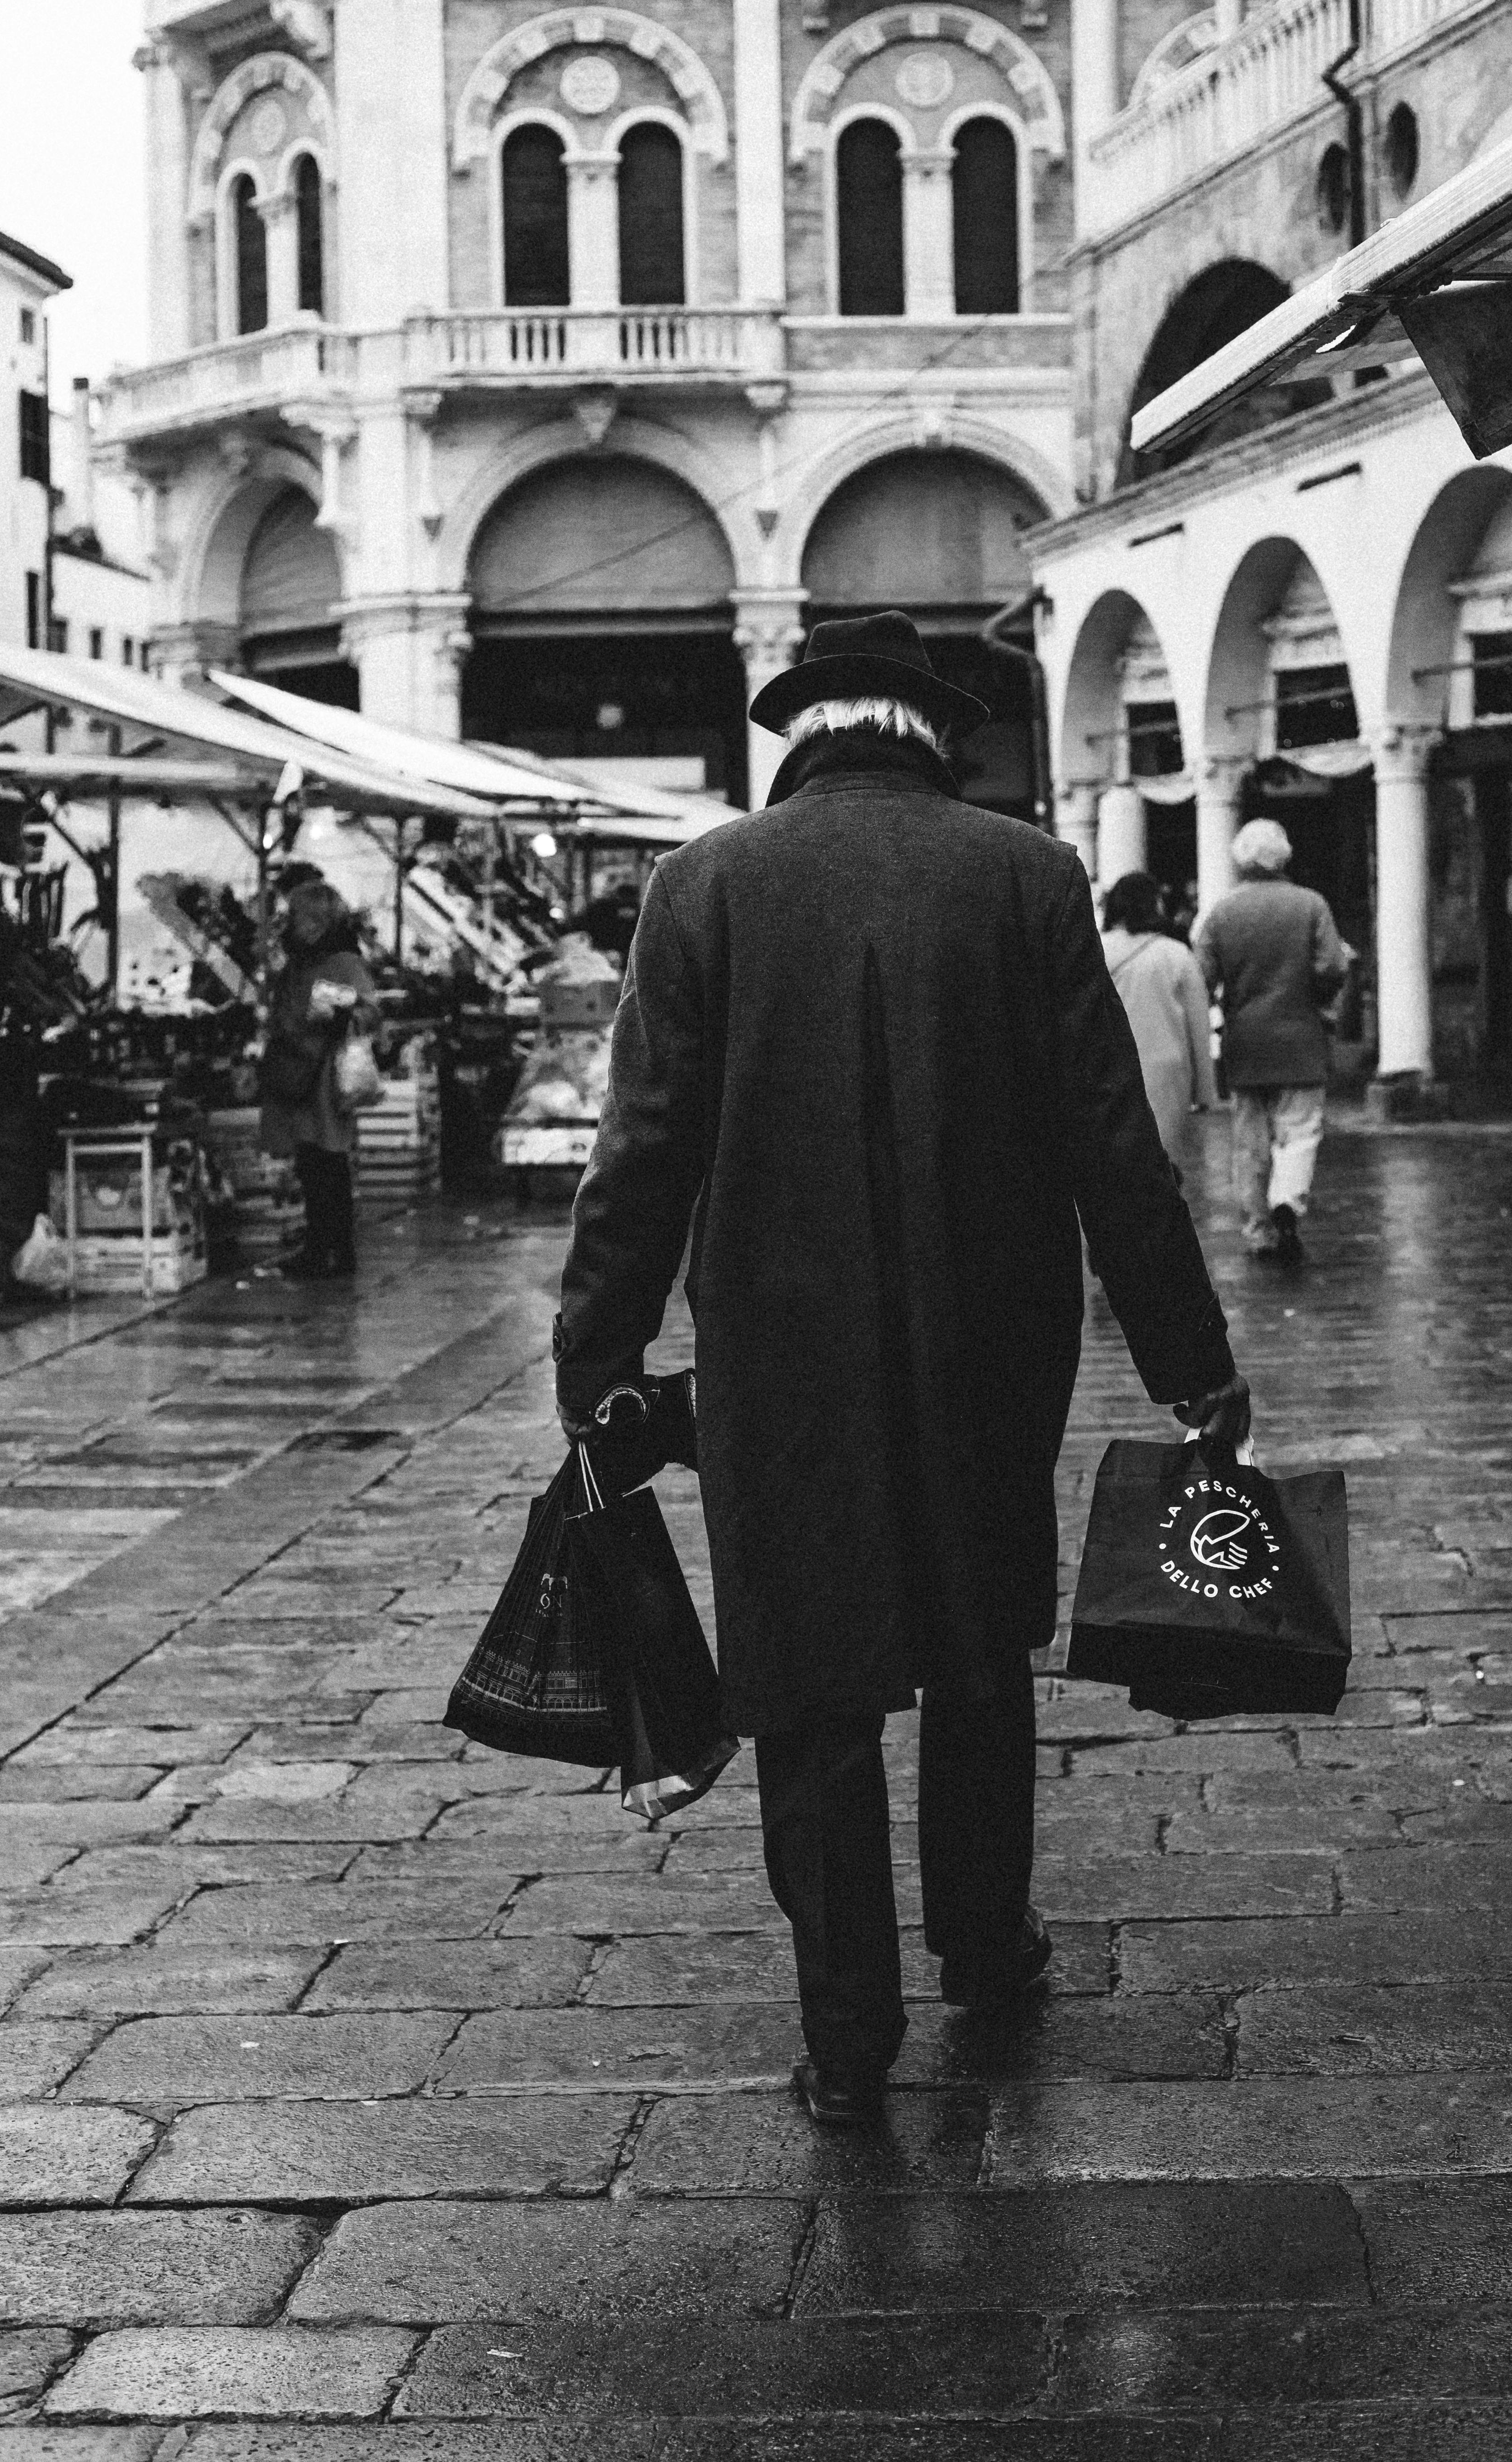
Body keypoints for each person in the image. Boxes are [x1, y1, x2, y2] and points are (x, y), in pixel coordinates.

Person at [552, 612, 1249, 2127]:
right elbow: (1108, 1150)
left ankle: (846, 2029)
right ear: (936, 733)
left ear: (802, 730)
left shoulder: (702, 884)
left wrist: (593, 1356)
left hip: (773, 1355)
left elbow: (641, 1150)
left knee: (804, 1682)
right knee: (977, 1648)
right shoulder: (1022, 876)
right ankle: (984, 1950)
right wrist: (1190, 1365)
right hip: (990, 1346)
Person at [1194, 817, 1348, 1265]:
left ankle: (1259, 1228)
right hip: (1301, 1037)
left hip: (1245, 1042)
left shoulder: (1222, 914)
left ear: (1241, 860)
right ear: (1285, 857)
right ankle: (1287, 1201)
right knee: (1299, 1131)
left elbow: (1201, 977)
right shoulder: (1311, 905)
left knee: (1250, 1139)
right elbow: (1333, 968)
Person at [258, 874, 379, 1282]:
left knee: (329, 1162)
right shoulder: (296, 964)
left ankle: (336, 1250)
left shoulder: (343, 963)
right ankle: (319, 1247)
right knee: (311, 1163)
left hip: (325, 1077)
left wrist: (344, 1014)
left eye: (296, 917)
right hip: (298, 1072)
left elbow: (370, 1012)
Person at [1101, 870, 1215, 1171]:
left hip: (1106, 1072)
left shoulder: (1095, 951)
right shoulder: (1177, 955)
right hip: (1167, 1076)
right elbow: (1198, 1027)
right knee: (1161, 1164)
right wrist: (1205, 1090)